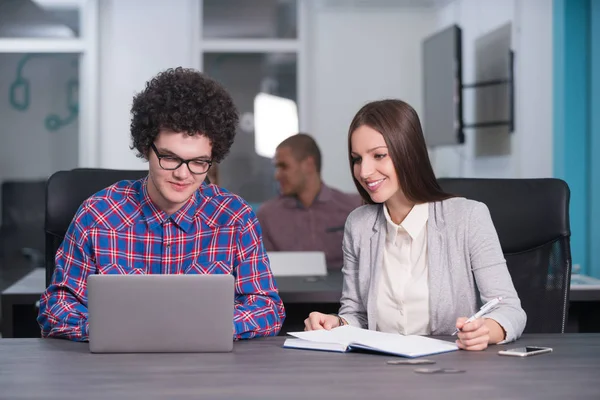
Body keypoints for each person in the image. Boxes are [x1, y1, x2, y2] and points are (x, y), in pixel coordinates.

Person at [38, 67, 285, 341]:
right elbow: (55, 309)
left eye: (199, 162)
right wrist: (114, 330)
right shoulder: (97, 214)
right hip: (118, 371)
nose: (183, 173)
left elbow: (267, 308)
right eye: (169, 158)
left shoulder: (235, 217)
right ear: (147, 148)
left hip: (207, 372)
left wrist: (209, 328)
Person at [304, 99, 526, 351]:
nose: (364, 171)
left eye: (379, 155)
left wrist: (487, 331)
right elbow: (358, 314)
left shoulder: (468, 217)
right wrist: (337, 323)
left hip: (450, 370)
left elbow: (509, 309)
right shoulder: (359, 225)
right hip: (379, 371)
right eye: (357, 159)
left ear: (408, 152)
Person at [256, 134, 361, 269]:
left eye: (284, 166)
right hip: (288, 290)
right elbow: (264, 273)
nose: (277, 175)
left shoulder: (353, 208)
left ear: (309, 165)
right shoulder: (267, 215)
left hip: (340, 290)